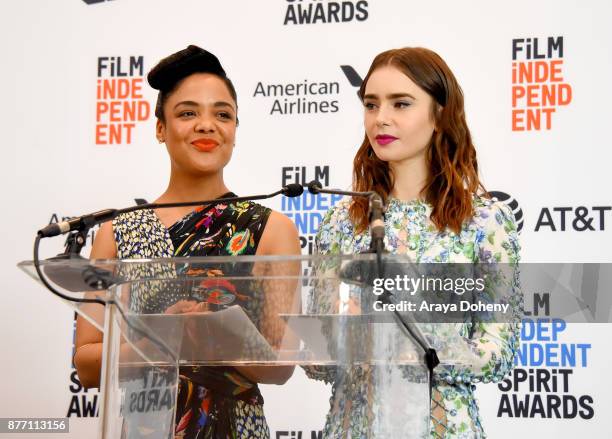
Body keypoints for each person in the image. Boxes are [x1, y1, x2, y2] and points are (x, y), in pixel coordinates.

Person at [74, 45, 301, 438]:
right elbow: (88, 363)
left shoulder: (270, 228)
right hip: (146, 424)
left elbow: (282, 365)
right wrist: (167, 337)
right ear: (160, 128)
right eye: (188, 113)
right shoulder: (116, 232)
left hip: (233, 427)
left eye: (223, 114)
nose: (207, 125)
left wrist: (211, 331)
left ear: (234, 131)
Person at [304, 47, 521, 438]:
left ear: (440, 114)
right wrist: (338, 336)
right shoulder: (341, 220)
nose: (381, 118)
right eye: (371, 105)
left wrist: (416, 345)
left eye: (401, 103)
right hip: (354, 427)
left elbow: (496, 352)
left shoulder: (483, 221)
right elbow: (318, 358)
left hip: (442, 427)